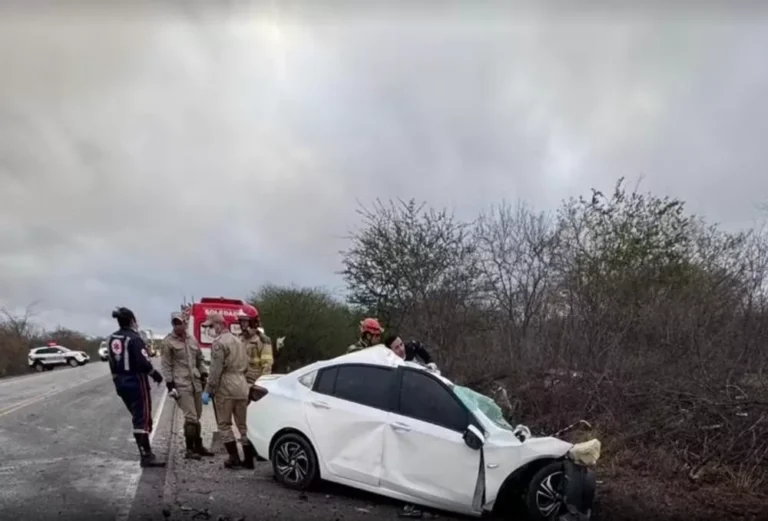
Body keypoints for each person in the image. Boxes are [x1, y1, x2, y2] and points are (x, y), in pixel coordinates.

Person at [108, 306, 165, 468]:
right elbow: (142, 361)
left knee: (136, 416)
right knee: (142, 418)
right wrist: (155, 374)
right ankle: (146, 455)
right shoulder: (134, 338)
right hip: (136, 381)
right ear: (132, 320)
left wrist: (116, 380)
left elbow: (111, 361)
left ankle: (145, 452)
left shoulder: (112, 338)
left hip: (120, 382)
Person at [200, 312, 255, 469]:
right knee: (243, 425)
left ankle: (233, 458)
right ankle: (249, 459)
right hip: (241, 384)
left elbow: (215, 371)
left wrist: (208, 390)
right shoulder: (239, 341)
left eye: (210, 326)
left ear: (219, 325)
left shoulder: (219, 343)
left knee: (224, 425)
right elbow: (246, 365)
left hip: (226, 386)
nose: (209, 330)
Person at [161, 311, 214, 459]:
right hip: (181, 384)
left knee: (197, 415)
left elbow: (199, 359)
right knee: (191, 417)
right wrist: (170, 385)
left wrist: (204, 373)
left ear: (185, 323)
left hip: (196, 383)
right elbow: (166, 365)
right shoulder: (168, 342)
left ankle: (198, 446)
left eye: (180, 322)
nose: (178, 325)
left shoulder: (192, 339)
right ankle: (189, 450)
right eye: (175, 323)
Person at [242, 313, 274, 385]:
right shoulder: (241, 339)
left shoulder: (262, 341)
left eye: (245, 322)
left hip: (255, 382)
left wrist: (262, 384)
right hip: (242, 382)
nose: (242, 324)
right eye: (241, 321)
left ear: (252, 323)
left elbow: (267, 365)